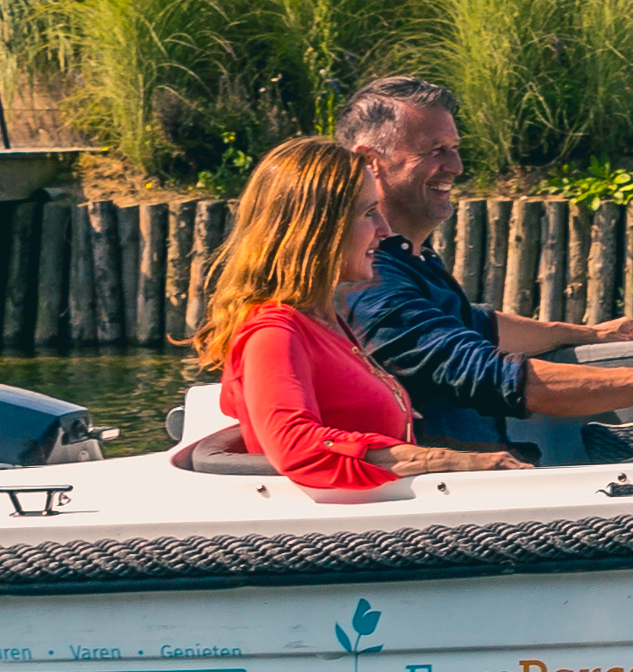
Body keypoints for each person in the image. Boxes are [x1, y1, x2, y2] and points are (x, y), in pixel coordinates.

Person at [335, 77, 633, 448]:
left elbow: (480, 325)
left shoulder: (407, 261)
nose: (456, 165)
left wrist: (588, 333)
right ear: (369, 162)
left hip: (517, 466)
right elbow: (484, 374)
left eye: (454, 148)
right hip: (483, 497)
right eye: (434, 150)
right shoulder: (365, 278)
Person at [193, 136, 498, 494]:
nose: (385, 230)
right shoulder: (274, 332)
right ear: (318, 230)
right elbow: (296, 446)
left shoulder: (323, 322)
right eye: (368, 213)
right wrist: (445, 460)